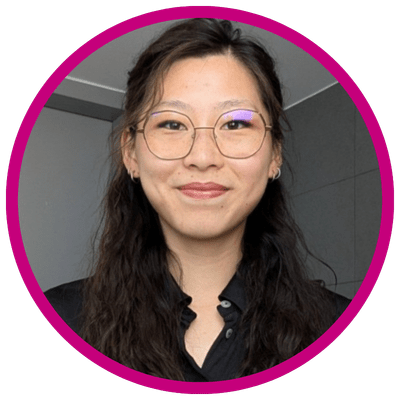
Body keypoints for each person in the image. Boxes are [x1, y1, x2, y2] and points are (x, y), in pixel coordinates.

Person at [45, 18, 351, 382]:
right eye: (172, 124)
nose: (203, 157)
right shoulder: (57, 321)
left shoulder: (341, 328)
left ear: (274, 155)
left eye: (235, 123)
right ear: (130, 153)